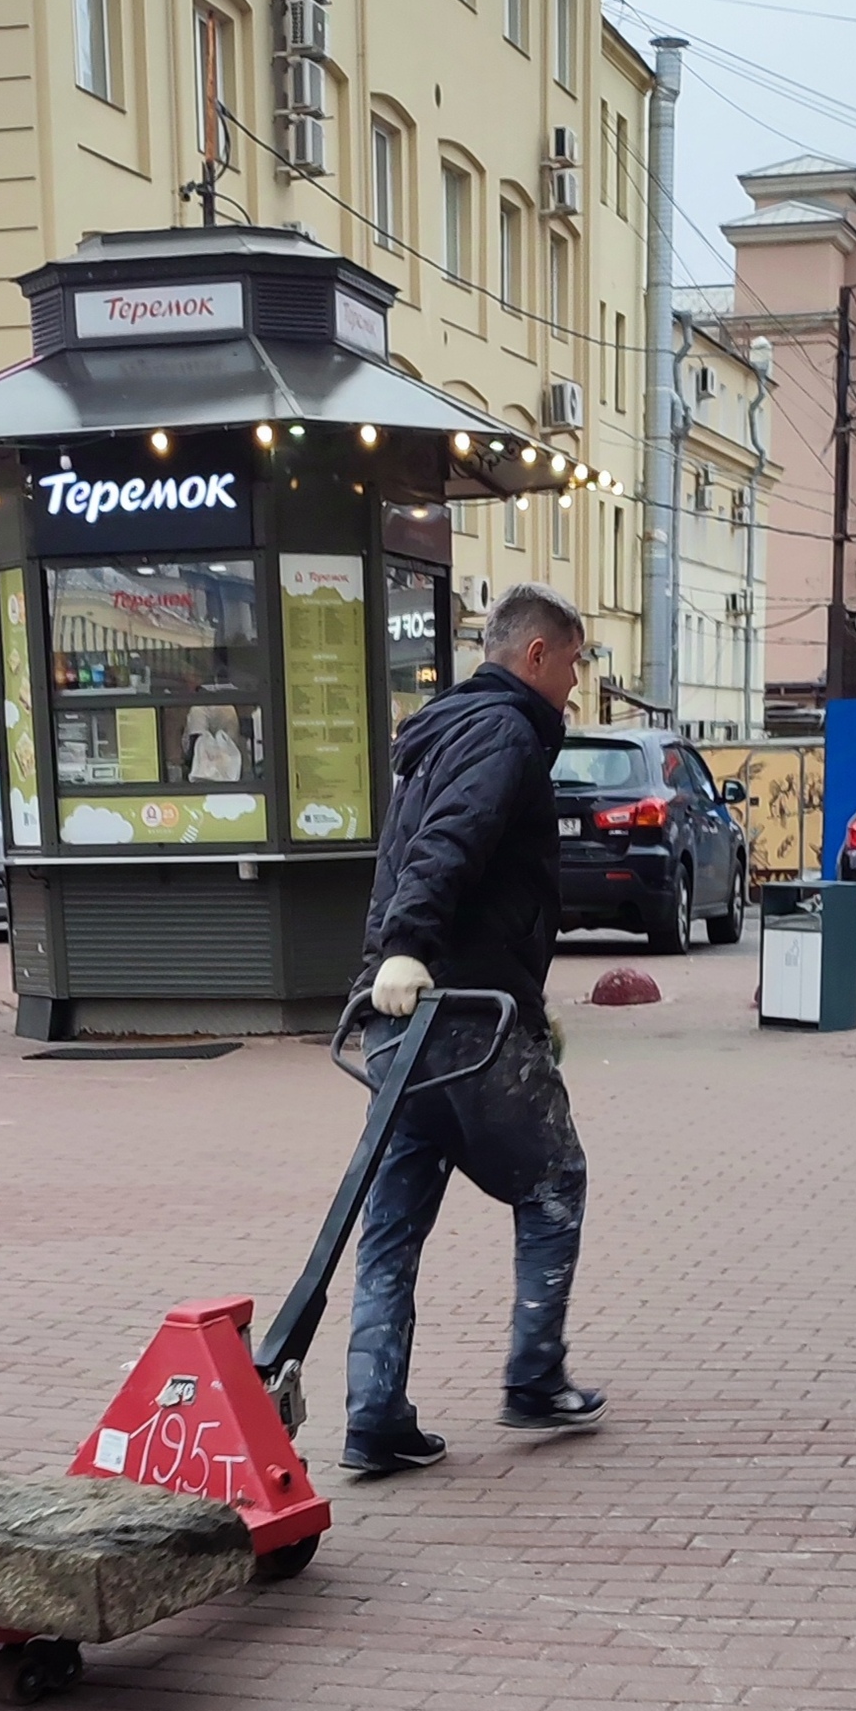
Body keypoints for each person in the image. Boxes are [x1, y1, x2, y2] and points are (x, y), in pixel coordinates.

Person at [342, 581, 605, 1475]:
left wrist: (395, 969)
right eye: (573, 661)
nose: (576, 680)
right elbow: (447, 843)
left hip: (407, 1020)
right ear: (535, 656)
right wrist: (412, 951)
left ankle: (373, 1414)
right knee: (555, 1180)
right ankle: (535, 1376)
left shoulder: (442, 733)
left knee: (392, 1218)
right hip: (461, 1020)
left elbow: (423, 854)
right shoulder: (503, 735)